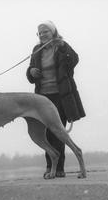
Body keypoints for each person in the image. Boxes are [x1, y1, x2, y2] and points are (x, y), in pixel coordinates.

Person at [26, 20, 86, 178]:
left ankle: (59, 169)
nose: (43, 34)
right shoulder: (37, 49)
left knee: (58, 132)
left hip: (60, 95)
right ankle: (50, 167)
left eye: (45, 31)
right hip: (42, 97)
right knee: (46, 133)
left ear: (53, 31)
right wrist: (31, 71)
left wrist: (63, 47)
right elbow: (30, 72)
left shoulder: (61, 46)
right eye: (40, 32)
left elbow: (74, 60)